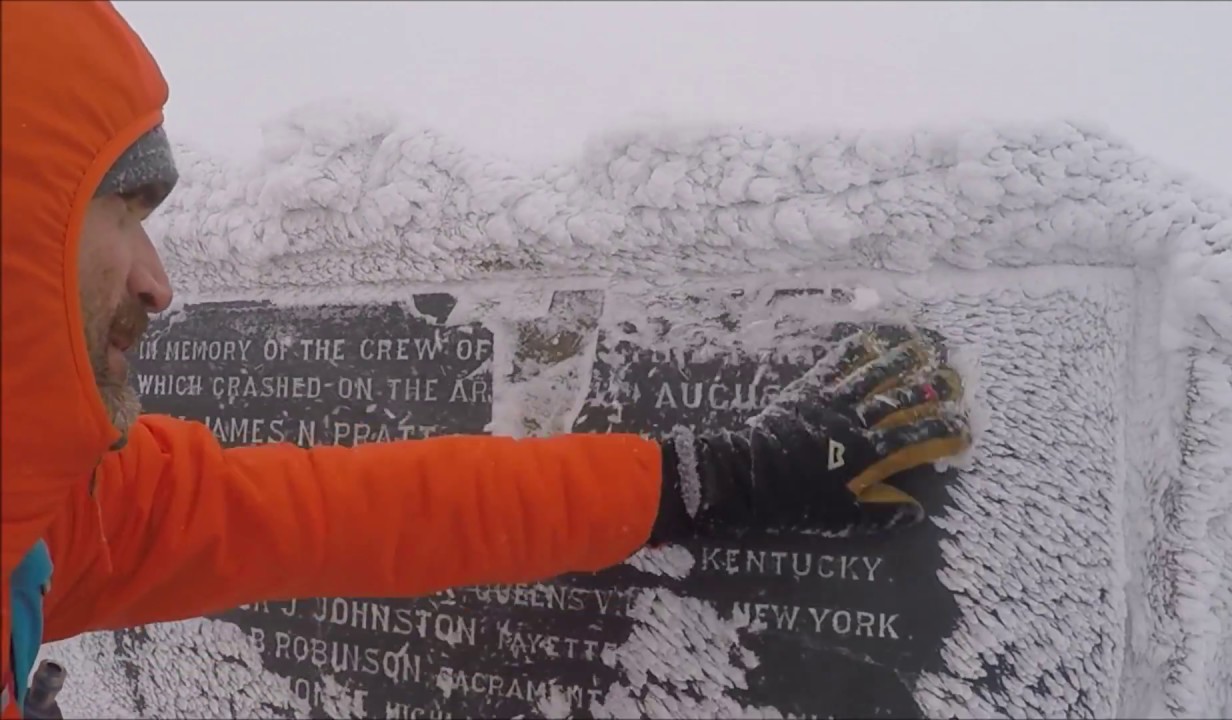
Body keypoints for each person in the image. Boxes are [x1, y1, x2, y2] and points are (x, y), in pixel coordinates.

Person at [0, 2, 972, 717]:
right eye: (123, 214)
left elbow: (385, 511)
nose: (159, 281)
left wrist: (718, 476)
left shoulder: (58, 527)